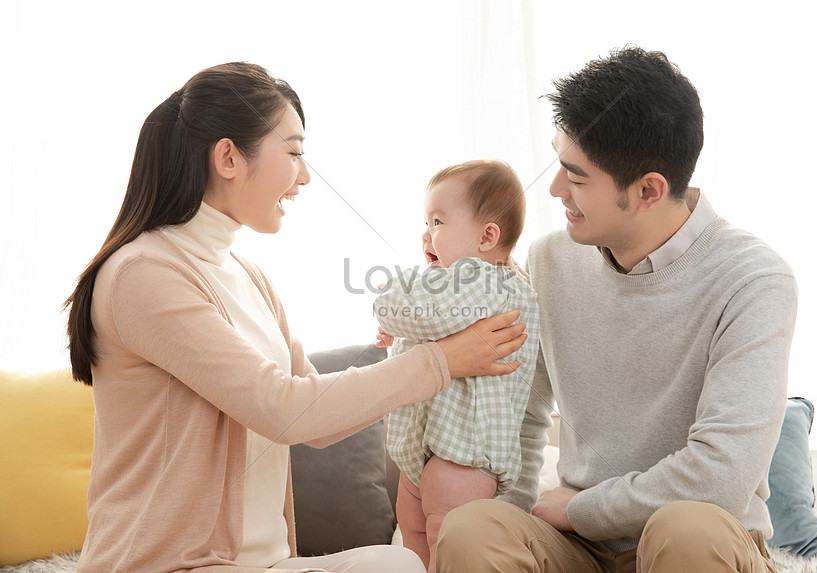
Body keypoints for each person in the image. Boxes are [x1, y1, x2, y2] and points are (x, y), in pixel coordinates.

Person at [64, 62, 528, 573]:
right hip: (163, 565)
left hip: (261, 565)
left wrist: (424, 347)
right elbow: (285, 410)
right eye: (293, 152)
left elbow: (318, 423)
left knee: (398, 564)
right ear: (228, 157)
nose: (305, 175)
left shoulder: (248, 276)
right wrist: (443, 360)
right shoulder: (143, 275)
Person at [435, 46, 798, 573]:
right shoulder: (549, 258)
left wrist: (583, 509)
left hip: (698, 542)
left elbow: (720, 477)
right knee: (473, 528)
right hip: (580, 549)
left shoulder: (755, 280)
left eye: (576, 176)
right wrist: (512, 524)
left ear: (649, 190)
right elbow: (521, 418)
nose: (556, 189)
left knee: (686, 527)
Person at [372, 160, 540, 572]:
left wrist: (388, 305)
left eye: (439, 221)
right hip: (433, 448)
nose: (426, 234)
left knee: (447, 540)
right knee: (413, 537)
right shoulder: (466, 286)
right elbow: (440, 327)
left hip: (463, 455)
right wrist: (404, 335)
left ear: (487, 237)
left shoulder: (486, 278)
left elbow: (427, 312)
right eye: (426, 221)